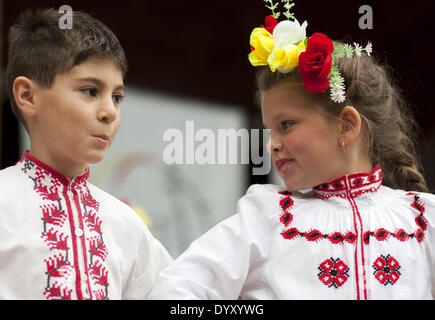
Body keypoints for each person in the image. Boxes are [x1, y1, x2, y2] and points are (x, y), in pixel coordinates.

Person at [149, 2, 435, 300]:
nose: (271, 144)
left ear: (346, 126)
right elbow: (175, 292)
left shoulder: (424, 219)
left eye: (286, 125)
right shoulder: (268, 219)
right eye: (269, 129)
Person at [0, 8, 172, 300]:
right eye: (91, 91)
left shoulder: (126, 224)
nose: (109, 112)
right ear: (28, 96)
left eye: (117, 97)